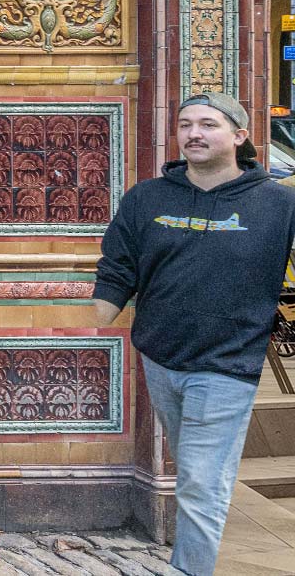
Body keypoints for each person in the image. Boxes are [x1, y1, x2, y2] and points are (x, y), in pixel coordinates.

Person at [93, 93, 295, 576]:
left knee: (203, 482)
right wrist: (99, 312)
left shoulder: (278, 202)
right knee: (194, 471)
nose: (194, 134)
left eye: (208, 124)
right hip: (162, 356)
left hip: (229, 364)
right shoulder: (148, 197)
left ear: (240, 136)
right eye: (185, 124)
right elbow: (119, 261)